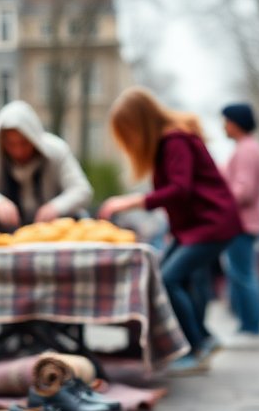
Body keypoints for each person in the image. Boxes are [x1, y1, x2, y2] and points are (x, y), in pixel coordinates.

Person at [101, 87, 244, 376]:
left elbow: (180, 189)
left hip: (211, 224)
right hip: (197, 227)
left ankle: (195, 347)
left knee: (167, 279)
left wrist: (131, 201)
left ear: (139, 122)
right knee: (168, 275)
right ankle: (202, 338)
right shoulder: (170, 141)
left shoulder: (174, 140)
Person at [0, 101, 93, 231]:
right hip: (2, 229)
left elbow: (82, 190)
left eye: (24, 143)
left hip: (52, 229)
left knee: (81, 221)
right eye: (10, 144)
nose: (18, 151)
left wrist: (56, 207)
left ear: (34, 138)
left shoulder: (57, 150)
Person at [218, 103, 259, 350]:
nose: (223, 126)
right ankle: (247, 326)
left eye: (225, 121)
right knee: (242, 273)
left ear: (235, 123)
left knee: (243, 274)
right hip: (244, 222)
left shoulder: (246, 149)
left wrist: (220, 201)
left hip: (242, 222)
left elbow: (244, 190)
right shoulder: (247, 147)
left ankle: (251, 328)